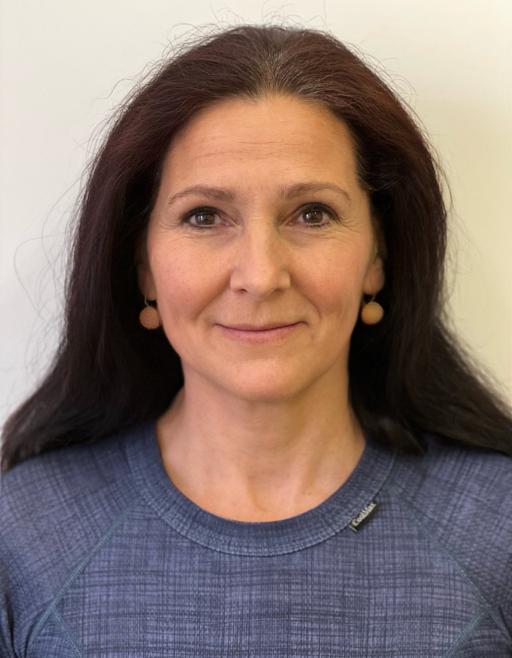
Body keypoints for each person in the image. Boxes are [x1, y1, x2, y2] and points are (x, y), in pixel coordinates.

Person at [1, 23, 511, 657]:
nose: (262, 275)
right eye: (204, 216)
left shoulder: (497, 530)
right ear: (142, 266)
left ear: (378, 256)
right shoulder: (22, 537)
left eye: (312, 214)